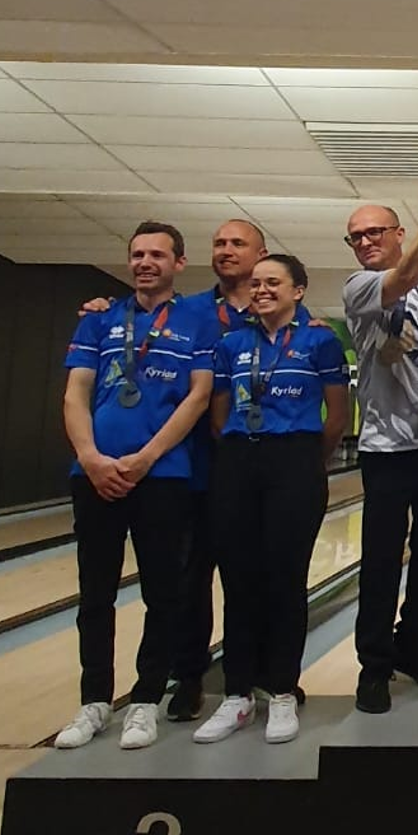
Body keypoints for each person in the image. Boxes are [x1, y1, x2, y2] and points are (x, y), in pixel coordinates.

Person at [79, 219, 269, 723]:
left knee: (248, 574)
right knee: (187, 580)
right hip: (186, 466)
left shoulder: (279, 310)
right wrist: (103, 308)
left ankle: (254, 674)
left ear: (260, 253)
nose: (226, 251)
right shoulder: (193, 311)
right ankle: (188, 677)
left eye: (238, 243)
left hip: (242, 465)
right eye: (219, 243)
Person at [54, 221, 218, 751]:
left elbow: (198, 398)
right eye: (138, 254)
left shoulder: (199, 321)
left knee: (163, 592)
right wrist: (90, 457)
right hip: (94, 474)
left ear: (178, 263)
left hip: (163, 475)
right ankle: (94, 700)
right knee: (95, 594)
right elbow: (75, 394)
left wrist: (146, 458)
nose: (146, 263)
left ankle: (146, 699)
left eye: (157, 255)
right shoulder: (100, 319)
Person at [194, 254, 349, 745]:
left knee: (286, 579)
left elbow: (337, 416)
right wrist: (244, 452)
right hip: (240, 460)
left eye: (273, 283)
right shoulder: (232, 344)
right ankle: (237, 693)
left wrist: (304, 459)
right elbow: (219, 416)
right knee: (239, 580)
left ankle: (282, 689)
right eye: (256, 283)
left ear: (297, 291)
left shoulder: (320, 341)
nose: (261, 290)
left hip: (295, 460)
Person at [341, 167, 418, 714]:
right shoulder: (360, 287)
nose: (365, 242)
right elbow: (406, 276)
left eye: (375, 232)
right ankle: (373, 667)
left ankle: (414, 647)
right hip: (386, 449)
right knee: (381, 561)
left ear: (398, 233)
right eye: (356, 236)